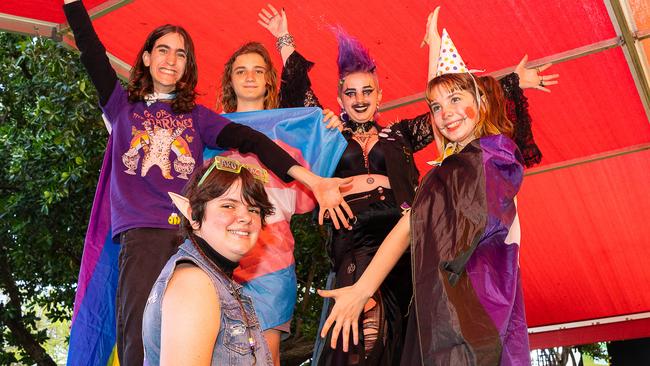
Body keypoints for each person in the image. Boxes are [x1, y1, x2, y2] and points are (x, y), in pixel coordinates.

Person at [257, 6, 556, 365]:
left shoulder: (399, 135)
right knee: (362, 336)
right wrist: (283, 39)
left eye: (367, 90)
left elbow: (443, 109)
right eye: (350, 93)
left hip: (408, 245)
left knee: (405, 335)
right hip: (357, 240)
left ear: (380, 96)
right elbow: (300, 98)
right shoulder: (331, 133)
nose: (360, 98)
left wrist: (509, 79)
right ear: (340, 100)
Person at [63, 1, 351, 364]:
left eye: (181, 53)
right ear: (147, 58)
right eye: (162, 50)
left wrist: (313, 180)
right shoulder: (122, 107)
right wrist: (73, 5)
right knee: (140, 339)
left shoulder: (199, 117)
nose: (171, 59)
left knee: (208, 339)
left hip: (195, 239)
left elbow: (255, 141)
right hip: (145, 238)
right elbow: (92, 52)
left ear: (188, 66)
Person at [319, 17, 532, 365]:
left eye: (455, 99)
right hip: (409, 275)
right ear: (340, 97)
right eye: (436, 107)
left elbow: (413, 222)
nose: (445, 114)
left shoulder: (487, 159)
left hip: (475, 297)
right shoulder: (453, 166)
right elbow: (415, 221)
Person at [216, 39, 345, 364]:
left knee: (266, 355)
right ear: (229, 79)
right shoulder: (211, 131)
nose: (249, 77)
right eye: (240, 70)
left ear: (269, 80)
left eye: (258, 71)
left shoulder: (289, 133)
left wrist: (330, 126)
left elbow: (312, 190)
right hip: (217, 260)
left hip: (272, 260)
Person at [142, 156, 275, 365]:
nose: (245, 217)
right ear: (194, 217)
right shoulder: (194, 283)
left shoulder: (219, 284)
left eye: (253, 209)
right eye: (228, 206)